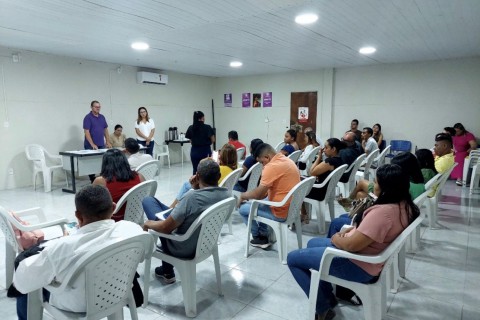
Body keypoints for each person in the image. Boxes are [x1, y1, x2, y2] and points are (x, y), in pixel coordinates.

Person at [288, 164, 420, 320]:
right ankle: (327, 298)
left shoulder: (383, 213)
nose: (374, 185)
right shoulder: (405, 205)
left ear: (387, 188)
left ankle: (323, 307)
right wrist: (352, 231)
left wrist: (337, 238)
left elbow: (351, 246)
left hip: (359, 265)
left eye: (376, 183)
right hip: (369, 256)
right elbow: (369, 233)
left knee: (293, 258)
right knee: (311, 244)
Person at [13, 185, 145, 320]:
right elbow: (144, 254)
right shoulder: (132, 229)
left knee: (31, 286)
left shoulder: (63, 248)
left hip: (77, 304)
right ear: (113, 207)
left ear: (77, 215)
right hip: (118, 292)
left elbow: (22, 283)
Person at [142, 159, 230, 283]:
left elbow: (165, 228)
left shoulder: (192, 198)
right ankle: (167, 270)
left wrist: (147, 223)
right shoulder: (227, 195)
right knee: (154, 203)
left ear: (198, 176)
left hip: (182, 245)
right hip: (205, 243)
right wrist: (195, 188)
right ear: (219, 176)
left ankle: (167, 271)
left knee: (148, 201)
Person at [237, 143, 300, 248]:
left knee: (242, 208)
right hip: (292, 207)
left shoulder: (271, 167)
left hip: (280, 211)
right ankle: (264, 233)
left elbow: (258, 195)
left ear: (267, 157)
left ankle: (258, 238)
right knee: (262, 201)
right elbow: (262, 195)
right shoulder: (286, 160)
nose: (262, 165)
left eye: (262, 162)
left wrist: (243, 196)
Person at [166, 143, 237, 212]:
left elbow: (205, 175)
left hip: (210, 190)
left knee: (186, 185)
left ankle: (172, 208)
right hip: (221, 191)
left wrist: (211, 161)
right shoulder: (235, 168)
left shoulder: (220, 169)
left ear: (222, 156)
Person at [92, 149, 145, 221]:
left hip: (112, 220)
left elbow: (92, 205)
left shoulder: (101, 181)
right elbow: (145, 197)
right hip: (136, 216)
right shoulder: (139, 176)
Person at [302, 138, 345, 223]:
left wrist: (319, 157)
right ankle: (304, 214)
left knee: (297, 189)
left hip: (320, 191)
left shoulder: (330, 162)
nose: (324, 150)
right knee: (301, 180)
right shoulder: (340, 160)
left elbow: (311, 172)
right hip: (327, 190)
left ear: (333, 149)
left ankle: (303, 215)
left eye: (326, 148)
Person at [83, 100, 112, 182]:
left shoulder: (102, 117)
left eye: (99, 107)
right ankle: (92, 179)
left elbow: (105, 130)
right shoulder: (88, 117)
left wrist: (108, 141)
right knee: (91, 162)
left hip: (101, 144)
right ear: (92, 107)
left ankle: (101, 178)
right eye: (96, 107)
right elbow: (86, 132)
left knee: (102, 161)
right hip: (90, 145)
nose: (98, 108)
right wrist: (92, 144)